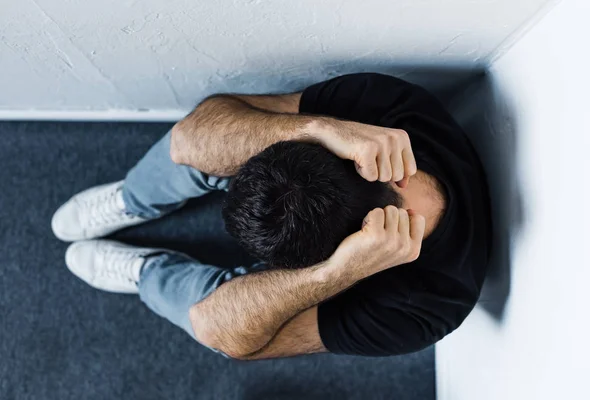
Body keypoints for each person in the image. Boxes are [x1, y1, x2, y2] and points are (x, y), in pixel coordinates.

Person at [51, 73, 492, 359]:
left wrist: (328, 277)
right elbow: (188, 140)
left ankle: (147, 272)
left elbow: (226, 336)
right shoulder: (391, 111)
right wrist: (317, 128)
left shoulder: (430, 305)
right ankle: (133, 200)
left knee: (214, 318)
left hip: (322, 275)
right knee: (195, 152)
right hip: (316, 157)